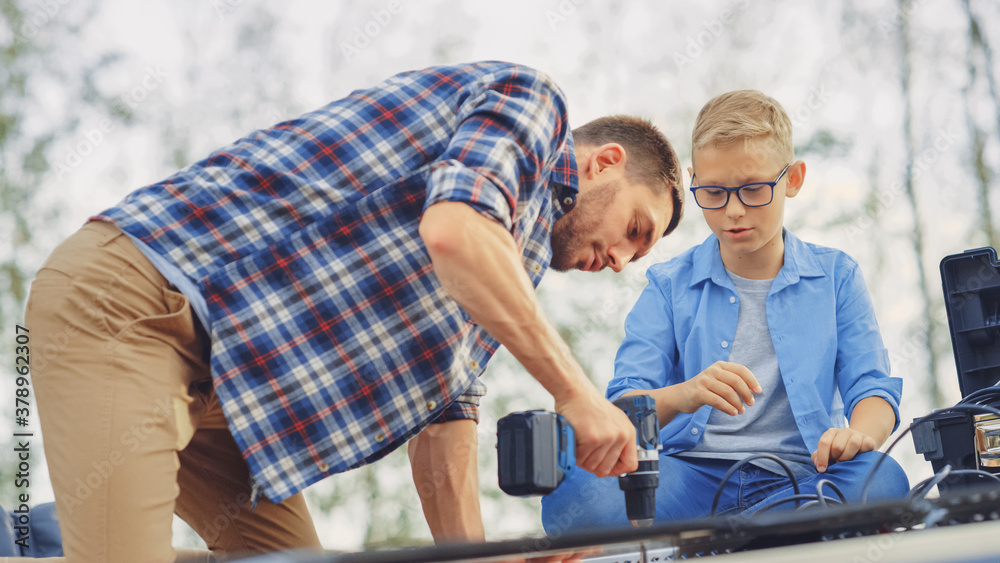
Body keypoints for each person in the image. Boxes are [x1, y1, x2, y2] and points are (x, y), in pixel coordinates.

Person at [23, 61, 684, 561]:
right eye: (636, 229)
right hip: (141, 301)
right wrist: (577, 393)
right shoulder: (531, 104)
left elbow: (446, 417)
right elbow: (455, 229)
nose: (623, 260)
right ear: (604, 163)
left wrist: (483, 556)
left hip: (234, 397)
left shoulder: (513, 264)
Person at [540, 89, 908, 533]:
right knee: (574, 491)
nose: (732, 212)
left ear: (792, 179)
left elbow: (871, 386)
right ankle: (767, 538)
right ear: (695, 180)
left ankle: (730, 539)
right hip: (686, 482)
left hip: (805, 477)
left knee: (882, 478)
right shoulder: (668, 286)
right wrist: (685, 393)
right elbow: (623, 409)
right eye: (713, 192)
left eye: (753, 189)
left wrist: (859, 435)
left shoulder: (837, 277)